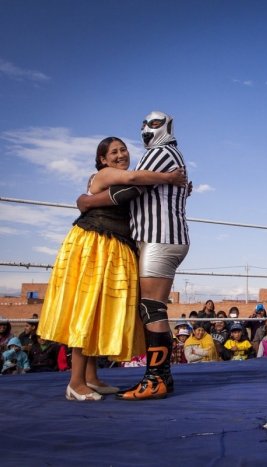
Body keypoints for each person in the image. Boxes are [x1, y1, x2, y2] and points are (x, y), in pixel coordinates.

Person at [39, 136, 186, 401]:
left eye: (123, 150)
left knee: (100, 311)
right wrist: (169, 178)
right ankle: (75, 382)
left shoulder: (124, 177)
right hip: (96, 244)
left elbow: (136, 191)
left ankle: (91, 377)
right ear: (102, 160)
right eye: (114, 152)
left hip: (114, 247)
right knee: (88, 310)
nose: (120, 155)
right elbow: (130, 184)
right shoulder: (105, 175)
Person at [79, 112, 190, 401]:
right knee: (151, 307)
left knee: (152, 308)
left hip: (160, 237)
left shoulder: (161, 152)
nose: (145, 129)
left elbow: (132, 186)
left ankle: (157, 380)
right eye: (143, 124)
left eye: (153, 123)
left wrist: (87, 200)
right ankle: (159, 378)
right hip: (159, 237)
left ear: (167, 126)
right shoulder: (163, 155)